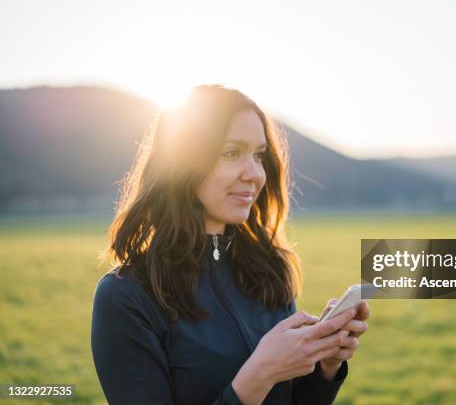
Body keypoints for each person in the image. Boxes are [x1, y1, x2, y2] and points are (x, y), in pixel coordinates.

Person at [91, 84, 370, 405]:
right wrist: (260, 374)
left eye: (259, 155)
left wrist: (325, 364)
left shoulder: (268, 271)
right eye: (231, 152)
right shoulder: (126, 297)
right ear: (183, 161)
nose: (254, 174)